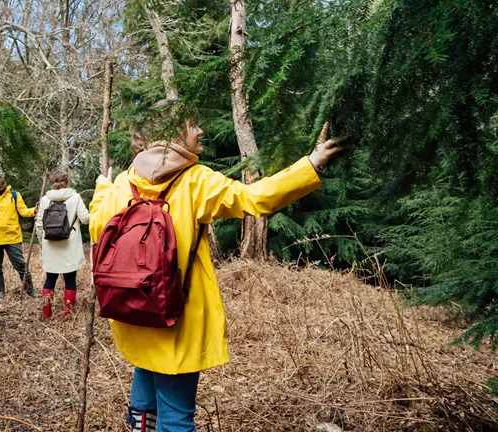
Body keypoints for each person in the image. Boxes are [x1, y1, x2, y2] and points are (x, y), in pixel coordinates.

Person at [89, 112, 344, 432]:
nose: (200, 130)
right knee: (177, 419)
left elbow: (99, 225)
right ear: (173, 133)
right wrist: (312, 163)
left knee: (145, 392)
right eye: (192, 124)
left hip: (131, 310)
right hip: (175, 319)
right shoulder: (196, 180)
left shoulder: (124, 182)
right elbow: (256, 198)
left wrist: (102, 187)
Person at [34, 171, 90, 319]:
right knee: (70, 279)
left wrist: (42, 243)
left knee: (50, 279)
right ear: (68, 182)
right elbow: (85, 219)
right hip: (69, 246)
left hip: (51, 245)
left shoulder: (45, 199)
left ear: (53, 183)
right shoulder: (75, 197)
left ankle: (46, 313)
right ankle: (68, 315)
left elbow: (39, 223)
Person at [0, 169, 40, 300]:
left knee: (20, 265)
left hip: (12, 236)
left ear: (4, 181)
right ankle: (0, 293)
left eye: (1, 182)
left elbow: (23, 211)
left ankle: (30, 290)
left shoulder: (14, 194)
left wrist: (34, 210)